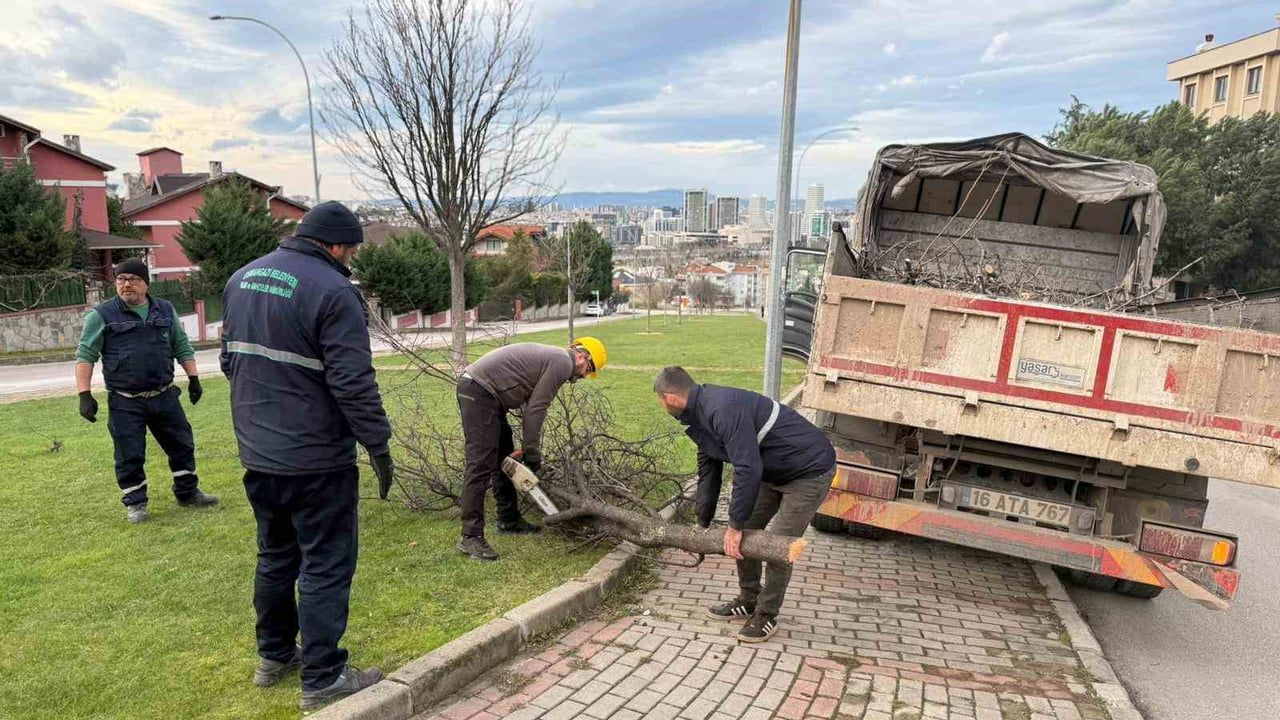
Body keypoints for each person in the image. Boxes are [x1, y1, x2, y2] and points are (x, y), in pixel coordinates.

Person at [221, 201, 394, 712]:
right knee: (325, 562)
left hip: (259, 453)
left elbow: (231, 361)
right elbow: (352, 381)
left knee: (275, 556)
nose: (352, 259)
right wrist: (378, 443)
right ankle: (323, 677)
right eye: (353, 250)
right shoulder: (335, 290)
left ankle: (273, 655)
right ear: (336, 245)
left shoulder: (241, 279)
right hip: (317, 459)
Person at [654, 366, 836, 643]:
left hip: (808, 471)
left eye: (660, 401)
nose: (661, 406)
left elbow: (747, 469)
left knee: (778, 545)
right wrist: (702, 523)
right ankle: (749, 598)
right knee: (748, 528)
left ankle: (766, 614)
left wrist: (734, 525)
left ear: (670, 398)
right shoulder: (700, 417)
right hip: (771, 470)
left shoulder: (723, 409)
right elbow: (709, 472)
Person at [74, 258, 218, 523]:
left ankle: (187, 492)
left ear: (145, 284)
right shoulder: (102, 315)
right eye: (121, 279)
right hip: (125, 401)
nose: (126, 284)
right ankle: (136, 504)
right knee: (129, 454)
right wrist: (84, 394)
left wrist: (194, 378)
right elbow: (85, 354)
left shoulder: (164, 310)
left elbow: (181, 345)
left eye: (133, 279)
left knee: (182, 444)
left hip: (164, 395)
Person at [455, 337, 607, 561]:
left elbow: (529, 403)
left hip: (486, 395)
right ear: (582, 356)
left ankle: (508, 519)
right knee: (480, 464)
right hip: (479, 391)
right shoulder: (562, 363)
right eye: (588, 369)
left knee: (504, 459)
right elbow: (535, 410)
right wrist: (532, 454)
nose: (584, 375)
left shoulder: (555, 358)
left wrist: (527, 450)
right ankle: (470, 536)